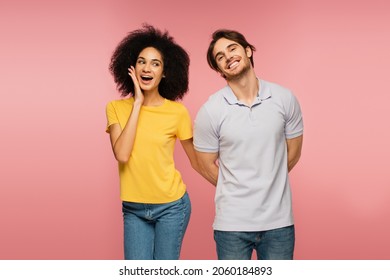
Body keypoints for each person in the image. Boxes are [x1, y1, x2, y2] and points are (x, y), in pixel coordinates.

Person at [194, 29, 304, 260]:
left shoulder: (284, 98)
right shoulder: (211, 110)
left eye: (232, 49)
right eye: (220, 57)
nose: (228, 57)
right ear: (218, 69)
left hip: (279, 224)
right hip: (231, 225)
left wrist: (268, 183)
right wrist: (237, 186)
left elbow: (292, 153)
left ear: (247, 50)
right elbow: (204, 164)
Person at [106, 24, 198, 260]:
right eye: (141, 61)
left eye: (155, 63)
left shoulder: (177, 112)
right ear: (131, 67)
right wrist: (137, 103)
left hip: (171, 206)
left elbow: (197, 161)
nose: (147, 68)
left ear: (165, 72)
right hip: (134, 209)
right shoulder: (115, 108)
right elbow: (123, 154)